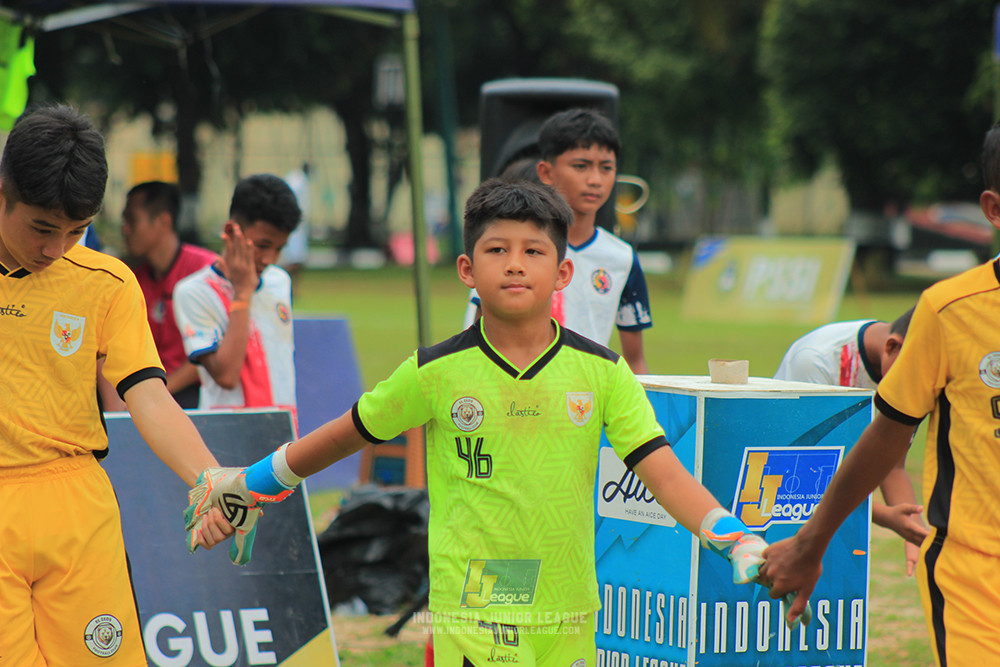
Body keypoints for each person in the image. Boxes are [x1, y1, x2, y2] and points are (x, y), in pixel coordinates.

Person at [185, 179, 805, 666]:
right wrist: (254, 482)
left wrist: (733, 537)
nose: (515, 264)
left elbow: (664, 473)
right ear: (466, 269)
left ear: (562, 274)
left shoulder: (604, 373)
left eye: (534, 251)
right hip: (477, 606)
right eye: (497, 250)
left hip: (569, 608)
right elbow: (343, 432)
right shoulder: (435, 372)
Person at [0, 104, 232, 665]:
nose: (56, 248)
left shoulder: (106, 282)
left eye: (76, 231)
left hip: (76, 505)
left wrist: (209, 477)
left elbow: (148, 396)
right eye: (42, 228)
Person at [761, 122, 1000, 662]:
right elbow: (882, 440)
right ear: (993, 208)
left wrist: (898, 513)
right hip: (975, 576)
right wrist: (812, 542)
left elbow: (892, 445)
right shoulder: (947, 312)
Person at [464, 108, 653, 373]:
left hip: (586, 403)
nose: (595, 180)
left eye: (606, 168)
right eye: (580, 166)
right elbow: (476, 338)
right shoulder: (512, 250)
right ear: (546, 172)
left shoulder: (621, 258)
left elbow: (635, 360)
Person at [774, 308, 928, 574]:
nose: (918, 386)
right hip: (781, 499)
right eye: (915, 376)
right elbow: (807, 476)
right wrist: (883, 516)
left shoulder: (915, 371)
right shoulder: (817, 361)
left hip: (837, 504)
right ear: (892, 346)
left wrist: (914, 531)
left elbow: (892, 464)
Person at [173, 174, 300, 417]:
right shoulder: (195, 292)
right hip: (228, 435)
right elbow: (227, 376)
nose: (270, 259)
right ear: (232, 231)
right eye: (262, 246)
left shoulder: (279, 281)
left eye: (279, 248)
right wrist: (242, 294)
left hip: (282, 431)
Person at [122, 180, 218, 409]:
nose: (124, 229)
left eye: (132, 220)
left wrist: (158, 394)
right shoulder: (130, 279)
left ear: (163, 222)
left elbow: (215, 350)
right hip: (149, 392)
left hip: (195, 395)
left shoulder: (206, 270)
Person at [280, 163, 310, 290]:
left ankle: (293, 289)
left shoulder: (303, 180)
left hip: (300, 227)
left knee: (298, 261)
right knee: (293, 260)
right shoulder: (296, 180)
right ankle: (284, 284)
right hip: (294, 226)